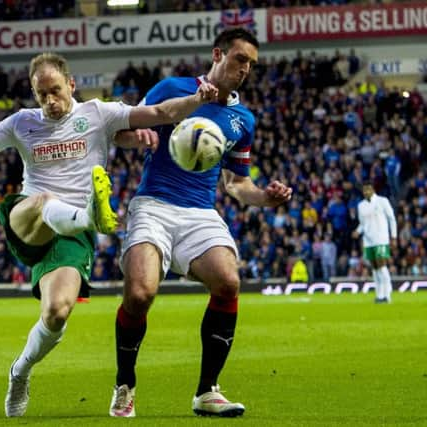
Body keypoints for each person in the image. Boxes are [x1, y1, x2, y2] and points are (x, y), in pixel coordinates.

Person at [0, 52, 218, 417]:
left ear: (71, 85)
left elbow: (160, 114)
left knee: (56, 312)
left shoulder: (98, 113)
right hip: (29, 220)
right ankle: (89, 214)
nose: (49, 101)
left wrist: (197, 100)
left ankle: (20, 371)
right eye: (41, 94)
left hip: (70, 238)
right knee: (44, 199)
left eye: (55, 91)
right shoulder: (22, 123)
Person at [109, 28, 292, 418]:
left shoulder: (242, 119)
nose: (245, 69)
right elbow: (121, 133)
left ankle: (207, 392)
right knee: (140, 295)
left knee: (228, 282)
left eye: (251, 64)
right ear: (217, 54)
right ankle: (125, 382)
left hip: (199, 211)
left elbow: (237, 184)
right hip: (154, 203)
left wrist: (265, 197)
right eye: (240, 59)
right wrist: (138, 136)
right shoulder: (171, 87)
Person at [353, 181, 397, 303]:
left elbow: (392, 219)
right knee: (375, 268)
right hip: (368, 240)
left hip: (381, 238)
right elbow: (363, 224)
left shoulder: (382, 201)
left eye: (369, 189)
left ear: (373, 189)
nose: (366, 192)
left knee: (382, 265)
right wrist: (357, 231)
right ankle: (379, 295)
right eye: (364, 190)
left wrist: (393, 236)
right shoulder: (361, 206)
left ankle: (387, 295)